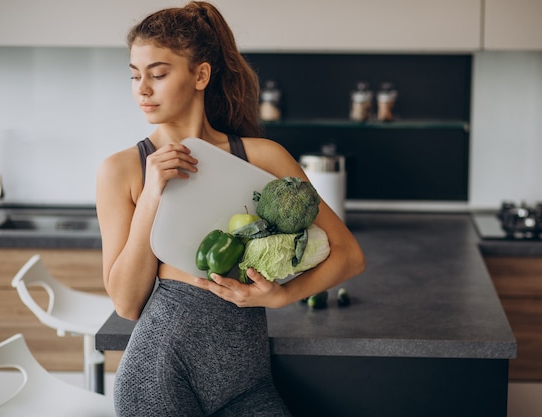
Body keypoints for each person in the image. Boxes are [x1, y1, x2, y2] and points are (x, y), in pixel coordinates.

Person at [95, 2, 365, 416]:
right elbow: (127, 304)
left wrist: (282, 296)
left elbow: (348, 255)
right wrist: (152, 195)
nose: (142, 89)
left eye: (159, 73)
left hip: (246, 385)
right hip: (158, 376)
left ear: (200, 74)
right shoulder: (122, 171)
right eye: (135, 75)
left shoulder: (263, 158)